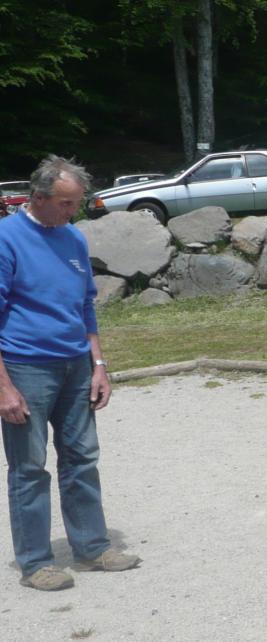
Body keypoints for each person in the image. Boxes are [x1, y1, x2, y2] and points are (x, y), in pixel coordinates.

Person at [1, 156, 140, 591]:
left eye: (76, 202)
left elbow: (85, 307)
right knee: (29, 467)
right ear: (37, 198)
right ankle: (36, 563)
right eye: (65, 203)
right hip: (25, 365)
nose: (72, 211)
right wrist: (4, 388)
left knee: (82, 457)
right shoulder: (6, 239)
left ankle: (93, 547)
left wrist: (99, 365)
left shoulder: (73, 239)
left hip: (76, 365)